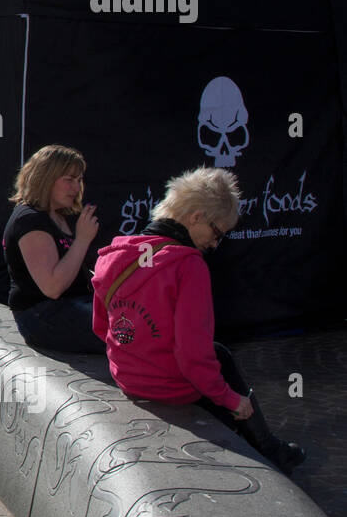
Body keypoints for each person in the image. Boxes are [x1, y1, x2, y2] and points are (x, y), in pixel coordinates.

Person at [91, 167, 305, 474]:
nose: (216, 244)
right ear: (196, 217)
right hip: (169, 387)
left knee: (218, 353)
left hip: (126, 378)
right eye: (217, 232)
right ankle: (269, 448)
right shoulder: (188, 266)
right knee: (219, 359)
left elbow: (101, 327)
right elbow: (192, 355)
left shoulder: (113, 254)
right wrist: (231, 399)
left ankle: (266, 445)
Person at [2, 144, 103, 353]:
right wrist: (82, 240)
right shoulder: (29, 220)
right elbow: (52, 287)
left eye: (79, 180)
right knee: (127, 334)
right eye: (69, 180)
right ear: (45, 178)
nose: (76, 188)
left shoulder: (60, 215)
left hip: (73, 305)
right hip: (42, 316)